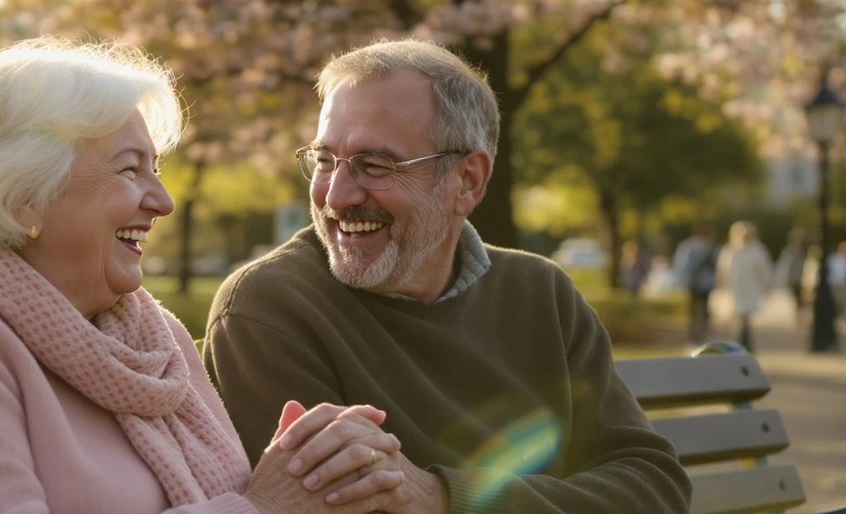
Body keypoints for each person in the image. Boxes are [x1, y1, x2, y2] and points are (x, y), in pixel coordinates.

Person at [0, 37, 409, 514]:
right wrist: (264, 509)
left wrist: (314, 471)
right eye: (131, 169)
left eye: (156, 169)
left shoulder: (153, 339)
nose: (163, 201)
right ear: (24, 196)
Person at [203, 39, 690, 513]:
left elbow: (653, 486)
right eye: (325, 161)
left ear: (469, 181)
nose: (336, 196)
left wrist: (442, 498)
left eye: (375, 165)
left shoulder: (541, 293)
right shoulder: (269, 309)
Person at [715, 221, 772, 352]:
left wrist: (766, 285)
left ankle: (745, 340)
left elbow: (763, 269)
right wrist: (720, 285)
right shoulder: (730, 250)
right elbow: (722, 269)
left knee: (746, 314)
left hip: (750, 286)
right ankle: (740, 341)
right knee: (737, 313)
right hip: (735, 286)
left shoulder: (757, 249)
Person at [673, 222, 720, 342]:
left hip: (703, 283)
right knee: (695, 310)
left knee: (702, 309)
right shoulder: (690, 247)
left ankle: (701, 332)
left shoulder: (707, 247)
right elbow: (683, 266)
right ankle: (696, 333)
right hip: (696, 283)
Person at [774, 227, 809, 320]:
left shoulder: (804, 252)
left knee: (801, 298)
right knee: (797, 297)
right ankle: (799, 315)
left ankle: (800, 314)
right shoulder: (788, 251)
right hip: (792, 278)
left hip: (802, 278)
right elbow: (784, 264)